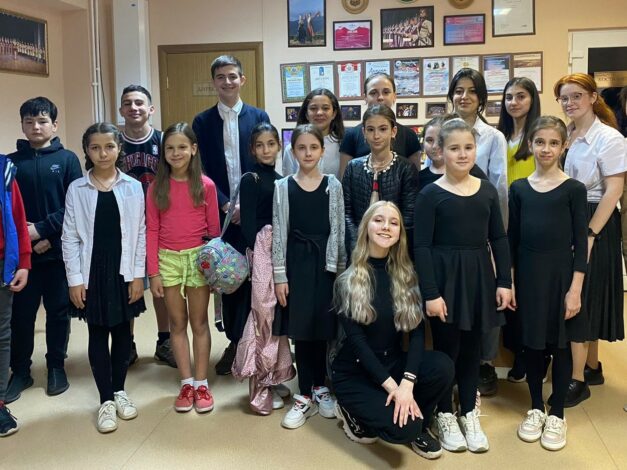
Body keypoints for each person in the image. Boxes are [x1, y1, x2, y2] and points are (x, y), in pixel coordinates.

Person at [414, 119, 512, 453]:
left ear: (475, 150)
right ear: (440, 151)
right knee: (447, 348)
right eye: (454, 148)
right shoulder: (430, 194)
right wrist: (431, 293)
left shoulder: (486, 190)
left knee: (472, 349)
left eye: (468, 147)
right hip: (444, 279)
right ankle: (444, 412)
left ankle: (468, 410)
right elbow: (421, 247)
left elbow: (498, 238)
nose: (462, 154)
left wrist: (504, 282)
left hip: (478, 276)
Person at [331, 201, 454, 460]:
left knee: (443, 366)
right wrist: (393, 389)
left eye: (393, 222)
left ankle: (417, 419)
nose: (386, 226)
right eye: (378, 220)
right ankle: (348, 410)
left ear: (400, 233)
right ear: (366, 227)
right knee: (403, 430)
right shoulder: (346, 281)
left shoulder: (406, 276)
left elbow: (417, 334)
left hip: (393, 363)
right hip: (355, 372)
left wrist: (407, 384)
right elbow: (358, 345)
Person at [508, 116, 587, 451]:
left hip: (561, 277)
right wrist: (510, 281)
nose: (546, 149)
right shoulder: (519, 189)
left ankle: (557, 413)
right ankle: (536, 407)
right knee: (532, 344)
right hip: (528, 276)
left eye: (554, 143)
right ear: (530, 144)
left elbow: (581, 243)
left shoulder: (574, 189)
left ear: (564, 146)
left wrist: (575, 289)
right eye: (540, 142)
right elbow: (512, 239)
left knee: (560, 343)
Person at [62, 123, 146, 433]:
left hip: (124, 269)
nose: (103, 153)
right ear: (86, 151)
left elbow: (140, 233)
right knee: (97, 332)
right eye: (95, 148)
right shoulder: (77, 188)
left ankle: (120, 390)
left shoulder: (132, 186)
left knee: (123, 331)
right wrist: (75, 279)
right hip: (92, 270)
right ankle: (105, 399)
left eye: (109, 146)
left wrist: (138, 276)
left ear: (119, 148)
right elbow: (69, 237)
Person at [192, 55, 270, 376]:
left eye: (232, 76)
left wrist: (247, 207)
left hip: (255, 215)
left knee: (257, 279)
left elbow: (265, 161)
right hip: (222, 215)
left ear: (242, 80)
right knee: (230, 279)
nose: (227, 82)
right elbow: (201, 169)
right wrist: (226, 204)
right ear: (214, 82)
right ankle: (236, 342)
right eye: (221, 77)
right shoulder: (202, 122)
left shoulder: (258, 116)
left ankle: (259, 343)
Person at [554, 73, 626, 407]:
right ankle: (592, 366)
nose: (570, 103)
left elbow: (614, 191)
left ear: (593, 97)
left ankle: (577, 379)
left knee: (582, 295)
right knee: (587, 293)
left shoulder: (609, 137)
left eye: (576, 96)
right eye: (564, 97)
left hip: (596, 218)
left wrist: (591, 234)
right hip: (571, 215)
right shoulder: (567, 133)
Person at [6, 97, 82, 404]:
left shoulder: (67, 160)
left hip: (57, 253)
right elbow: (7, 208)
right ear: (22, 125)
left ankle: (56, 367)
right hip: (22, 258)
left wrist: (44, 231)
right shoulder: (11, 163)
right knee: (21, 316)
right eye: (29, 122)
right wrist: (26, 240)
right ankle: (20, 371)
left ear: (54, 124)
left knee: (58, 312)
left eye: (42, 121)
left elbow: (75, 205)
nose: (35, 127)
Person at [272, 124, 346, 429]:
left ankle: (320, 387)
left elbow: (338, 228)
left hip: (325, 265)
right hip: (296, 265)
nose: (307, 153)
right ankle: (303, 394)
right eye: (301, 148)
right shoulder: (283, 186)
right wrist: (280, 275)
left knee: (322, 327)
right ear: (293, 152)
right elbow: (279, 232)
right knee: (301, 330)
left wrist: (339, 270)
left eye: (313, 147)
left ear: (322, 151)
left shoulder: (333, 185)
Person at [147, 122, 220, 413]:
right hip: (168, 261)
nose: (176, 153)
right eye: (170, 148)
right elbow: (152, 230)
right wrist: (153, 272)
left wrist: (213, 271)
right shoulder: (156, 187)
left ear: (193, 149)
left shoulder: (206, 185)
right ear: (163, 152)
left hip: (199, 259)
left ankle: (201, 383)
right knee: (177, 324)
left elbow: (214, 232)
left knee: (199, 323)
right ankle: (186, 382)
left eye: (181, 147)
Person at [447, 68, 508, 397]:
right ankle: (454, 364)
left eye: (472, 91)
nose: (464, 96)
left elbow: (499, 189)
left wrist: (498, 236)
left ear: (482, 97)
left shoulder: (493, 137)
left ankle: (484, 363)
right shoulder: (443, 129)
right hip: (449, 230)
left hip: (481, 228)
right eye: (459, 90)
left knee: (485, 298)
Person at [231, 123, 294, 414]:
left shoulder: (281, 179)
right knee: (262, 315)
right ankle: (259, 385)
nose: (266, 150)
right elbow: (247, 226)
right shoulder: (251, 178)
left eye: (271, 143)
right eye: (260, 145)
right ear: (252, 149)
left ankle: (274, 375)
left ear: (279, 146)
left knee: (277, 316)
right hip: (260, 251)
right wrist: (260, 257)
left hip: (279, 251)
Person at [118, 84, 174, 369]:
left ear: (151, 109)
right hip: (125, 226)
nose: (134, 108)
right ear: (121, 110)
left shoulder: (164, 141)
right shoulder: (113, 141)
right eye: (128, 103)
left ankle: (165, 341)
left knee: (161, 285)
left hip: (160, 222)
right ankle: (127, 344)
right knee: (128, 283)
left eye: (139, 103)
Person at [497, 77, 542, 383]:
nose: (514, 102)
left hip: (531, 220)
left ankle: (534, 355)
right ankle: (517, 353)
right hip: (504, 221)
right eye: (509, 97)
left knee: (529, 291)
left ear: (532, 100)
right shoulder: (500, 136)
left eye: (521, 96)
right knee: (507, 286)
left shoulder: (538, 136)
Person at [342, 104, 418, 256]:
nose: (376, 136)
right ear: (364, 132)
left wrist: (391, 248)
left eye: (383, 129)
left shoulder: (406, 168)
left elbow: (408, 218)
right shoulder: (353, 167)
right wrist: (358, 247)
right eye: (370, 129)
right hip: (359, 250)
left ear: (393, 131)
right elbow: (347, 214)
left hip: (394, 251)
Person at [0, 154, 31, 437]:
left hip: (3, 263)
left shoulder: (4, 170)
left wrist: (23, 260)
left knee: (1, 335)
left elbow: (18, 218)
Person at [339, 73, 421, 176]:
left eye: (386, 92)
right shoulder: (351, 135)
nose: (380, 97)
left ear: (394, 96)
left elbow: (416, 178)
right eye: (373, 93)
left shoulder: (409, 135)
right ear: (365, 97)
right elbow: (344, 178)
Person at [282, 88, 345, 179]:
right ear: (306, 114)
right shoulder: (291, 149)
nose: (319, 113)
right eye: (313, 108)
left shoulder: (343, 146)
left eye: (325, 108)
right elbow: (288, 184)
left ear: (334, 114)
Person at [418, 114, 488, 191]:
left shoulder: (473, 171)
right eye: (430, 140)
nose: (435, 146)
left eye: (440, 140)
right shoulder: (418, 178)